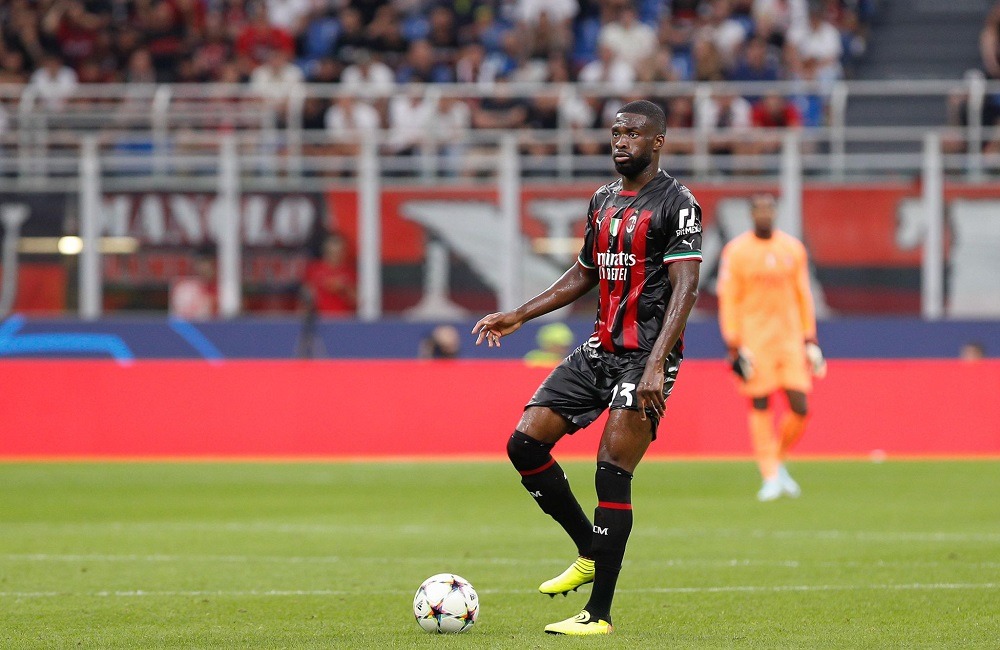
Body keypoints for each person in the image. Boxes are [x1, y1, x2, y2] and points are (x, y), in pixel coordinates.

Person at [473, 100, 702, 636]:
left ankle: (597, 614)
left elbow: (686, 288)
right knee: (524, 443)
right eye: (616, 132)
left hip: (646, 356)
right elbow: (584, 273)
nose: (622, 141)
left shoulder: (678, 203)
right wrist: (519, 314)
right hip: (600, 348)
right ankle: (589, 548)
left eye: (634, 134)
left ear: (658, 141)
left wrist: (657, 364)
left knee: (610, 468)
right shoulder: (602, 200)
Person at [716, 193, 826, 502]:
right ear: (751, 215)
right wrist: (734, 345)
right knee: (760, 403)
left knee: (800, 407)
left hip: (789, 340)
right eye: (759, 210)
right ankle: (770, 475)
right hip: (755, 341)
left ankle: (776, 461)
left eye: (769, 209)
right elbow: (729, 299)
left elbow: (804, 294)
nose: (765, 214)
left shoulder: (792, 248)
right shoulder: (736, 252)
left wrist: (809, 338)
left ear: (775, 213)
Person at [301, 233, 357, 315]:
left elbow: (359, 301)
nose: (335, 256)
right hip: (320, 321)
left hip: (345, 320)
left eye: (338, 252)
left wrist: (345, 288)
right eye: (332, 252)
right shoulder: (314, 270)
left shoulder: (350, 272)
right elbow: (305, 296)